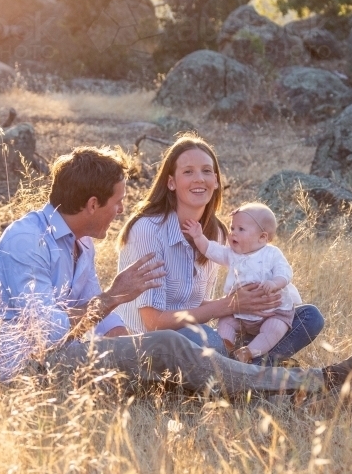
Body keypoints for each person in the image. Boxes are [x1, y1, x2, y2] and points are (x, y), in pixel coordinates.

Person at [0, 146, 352, 408]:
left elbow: (102, 318)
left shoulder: (80, 242)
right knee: (181, 345)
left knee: (177, 358)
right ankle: (319, 381)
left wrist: (138, 351)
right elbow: (48, 334)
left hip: (80, 355)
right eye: (117, 201)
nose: (121, 209)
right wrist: (117, 298)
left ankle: (307, 392)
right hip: (36, 370)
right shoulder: (27, 243)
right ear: (92, 204)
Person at [114, 136, 324, 365]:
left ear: (215, 181)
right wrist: (231, 304)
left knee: (308, 318)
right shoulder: (149, 230)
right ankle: (260, 374)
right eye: (188, 172)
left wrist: (255, 301)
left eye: (206, 171)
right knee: (211, 344)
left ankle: (252, 367)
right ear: (171, 182)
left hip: (192, 331)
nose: (199, 179)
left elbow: (197, 303)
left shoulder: (219, 234)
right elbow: (153, 321)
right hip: (148, 343)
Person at [181, 202, 299, 363]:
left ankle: (249, 352)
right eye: (232, 228)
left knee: (275, 329)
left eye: (240, 229)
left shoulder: (272, 253)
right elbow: (211, 250)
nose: (233, 234)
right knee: (226, 321)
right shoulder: (231, 254)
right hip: (240, 312)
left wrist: (275, 283)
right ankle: (225, 346)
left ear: (262, 237)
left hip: (271, 312)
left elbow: (285, 272)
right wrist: (198, 237)